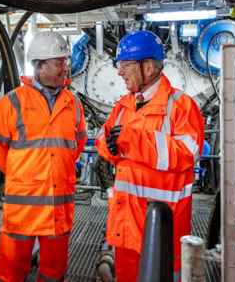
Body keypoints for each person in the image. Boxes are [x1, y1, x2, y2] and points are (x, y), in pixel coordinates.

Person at [94, 30, 205, 282]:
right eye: (118, 65)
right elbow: (104, 137)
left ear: (149, 66)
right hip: (125, 221)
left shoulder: (181, 105)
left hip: (161, 225)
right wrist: (108, 147)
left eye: (125, 64)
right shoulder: (123, 105)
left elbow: (188, 154)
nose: (120, 72)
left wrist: (132, 140)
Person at [0, 30, 88, 282]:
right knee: (10, 274)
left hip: (58, 207)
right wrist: (25, 175)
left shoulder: (73, 104)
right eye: (58, 63)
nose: (66, 68)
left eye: (65, 61)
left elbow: (77, 144)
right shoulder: (11, 103)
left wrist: (55, 171)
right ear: (39, 66)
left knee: (54, 274)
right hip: (23, 209)